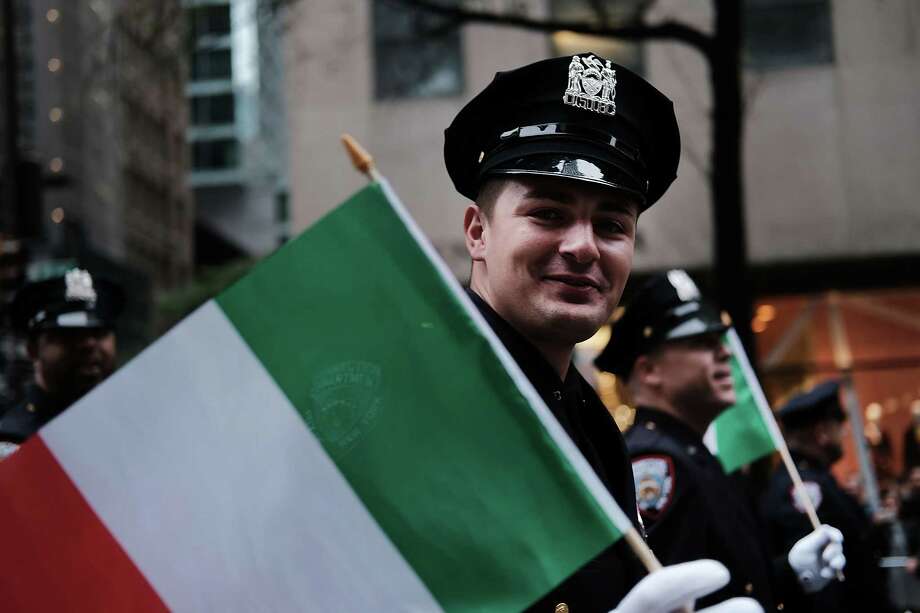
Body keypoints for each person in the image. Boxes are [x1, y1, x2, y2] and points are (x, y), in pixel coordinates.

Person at [446, 54, 759, 612]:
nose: (584, 246)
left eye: (612, 225)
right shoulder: (429, 403)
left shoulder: (583, 414)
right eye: (547, 213)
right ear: (478, 232)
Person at [594, 270, 846, 611]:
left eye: (720, 341)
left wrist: (791, 572)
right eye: (701, 344)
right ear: (649, 371)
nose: (724, 354)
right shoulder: (656, 463)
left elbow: (735, 587)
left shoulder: (693, 454)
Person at [760, 380, 896, 612]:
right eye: (838, 426)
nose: (843, 433)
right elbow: (824, 584)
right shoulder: (802, 488)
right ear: (821, 433)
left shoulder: (817, 477)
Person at [0, 268, 123, 459]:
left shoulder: (131, 429)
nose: (89, 344)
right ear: (33, 349)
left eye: (99, 333)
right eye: (69, 335)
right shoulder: (12, 444)